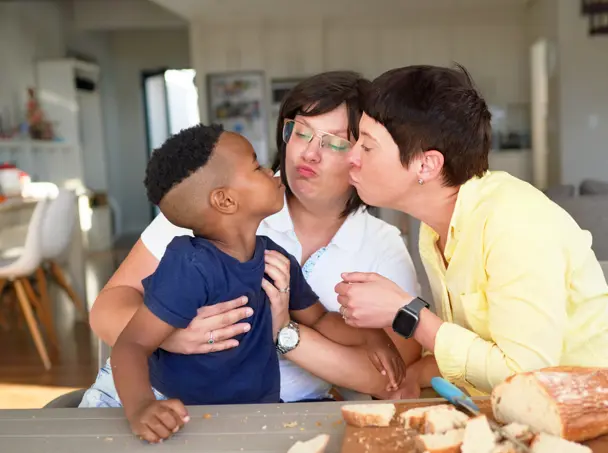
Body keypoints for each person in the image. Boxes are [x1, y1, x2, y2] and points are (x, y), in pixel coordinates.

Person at [88, 72, 422, 403]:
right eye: (300, 132)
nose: (308, 153)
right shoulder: (211, 200)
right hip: (156, 398)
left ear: (361, 153)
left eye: (334, 141)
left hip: (272, 417)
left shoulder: (380, 244)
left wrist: (287, 335)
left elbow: (390, 377)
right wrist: (172, 336)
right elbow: (108, 307)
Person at [336, 64, 608, 398]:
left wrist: (409, 314)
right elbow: (474, 347)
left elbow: (524, 373)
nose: (351, 157)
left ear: (427, 164)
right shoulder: (434, 228)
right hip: (528, 415)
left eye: (368, 146)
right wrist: (412, 376)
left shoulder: (515, 223)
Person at [80, 125, 404, 443]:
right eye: (257, 166)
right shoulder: (190, 265)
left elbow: (319, 319)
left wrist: (370, 334)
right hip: (173, 413)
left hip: (242, 420)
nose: (271, 170)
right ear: (226, 201)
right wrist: (142, 407)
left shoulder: (275, 259)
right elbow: (132, 345)